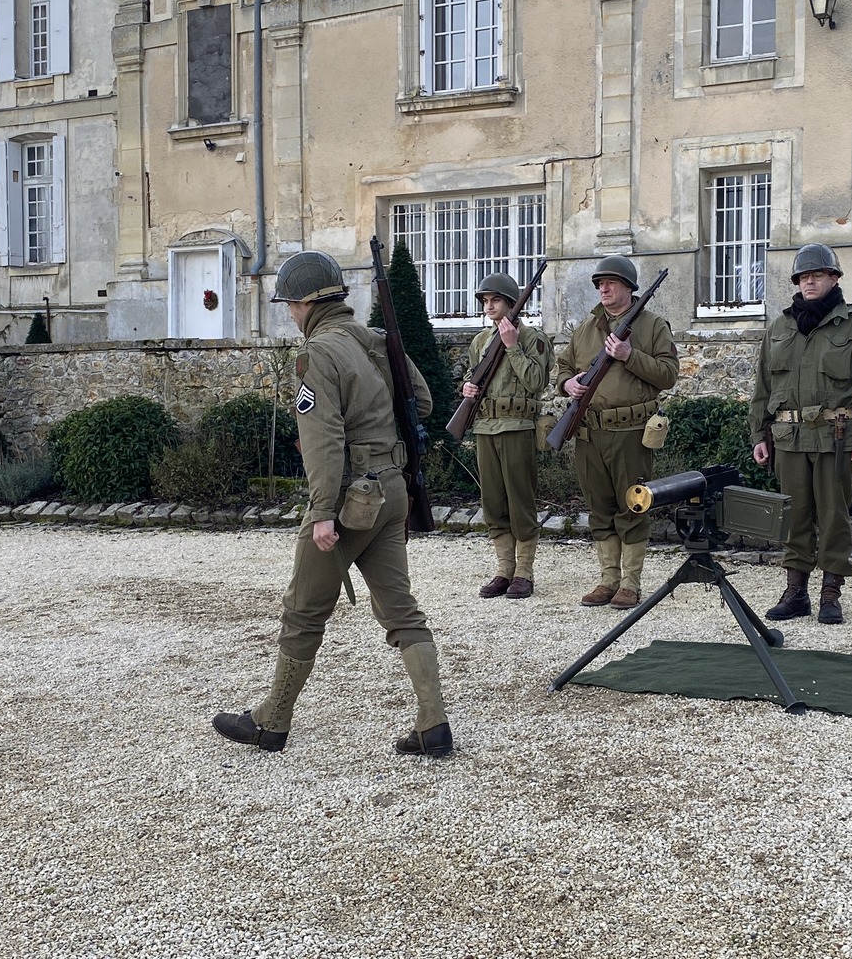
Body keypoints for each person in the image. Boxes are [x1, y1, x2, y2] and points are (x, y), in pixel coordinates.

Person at [212, 250, 453, 756]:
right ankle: (433, 722)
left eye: (289, 306)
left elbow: (321, 439)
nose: (290, 315)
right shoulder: (378, 340)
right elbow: (425, 402)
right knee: (401, 611)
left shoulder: (317, 353)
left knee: (302, 612)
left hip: (349, 501)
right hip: (392, 492)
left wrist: (322, 511)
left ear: (303, 303)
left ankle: (271, 723)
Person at [748, 244, 852, 625]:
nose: (808, 281)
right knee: (793, 517)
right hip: (788, 438)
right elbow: (763, 386)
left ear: (834, 279)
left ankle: (830, 593)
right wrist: (759, 435)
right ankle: (795, 592)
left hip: (836, 438)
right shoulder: (779, 327)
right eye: (802, 277)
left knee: (834, 517)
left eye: (817, 275)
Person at [555, 255, 679, 608]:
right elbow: (563, 367)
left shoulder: (652, 326)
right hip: (589, 432)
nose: (603, 289)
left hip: (631, 432)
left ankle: (630, 582)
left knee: (633, 505)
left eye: (610, 283)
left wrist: (629, 354)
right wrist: (569, 384)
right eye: (599, 284)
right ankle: (608, 578)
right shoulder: (586, 328)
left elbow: (668, 374)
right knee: (600, 507)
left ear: (628, 287)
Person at [460, 271, 552, 598]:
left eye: (495, 300)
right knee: (493, 502)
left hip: (517, 427)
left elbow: (536, 382)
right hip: (485, 427)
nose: (489, 306)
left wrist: (513, 347)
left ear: (512, 304)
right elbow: (475, 379)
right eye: (485, 301)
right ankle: (504, 570)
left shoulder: (532, 339)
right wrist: (468, 388)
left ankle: (524, 572)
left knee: (520, 500)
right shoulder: (480, 341)